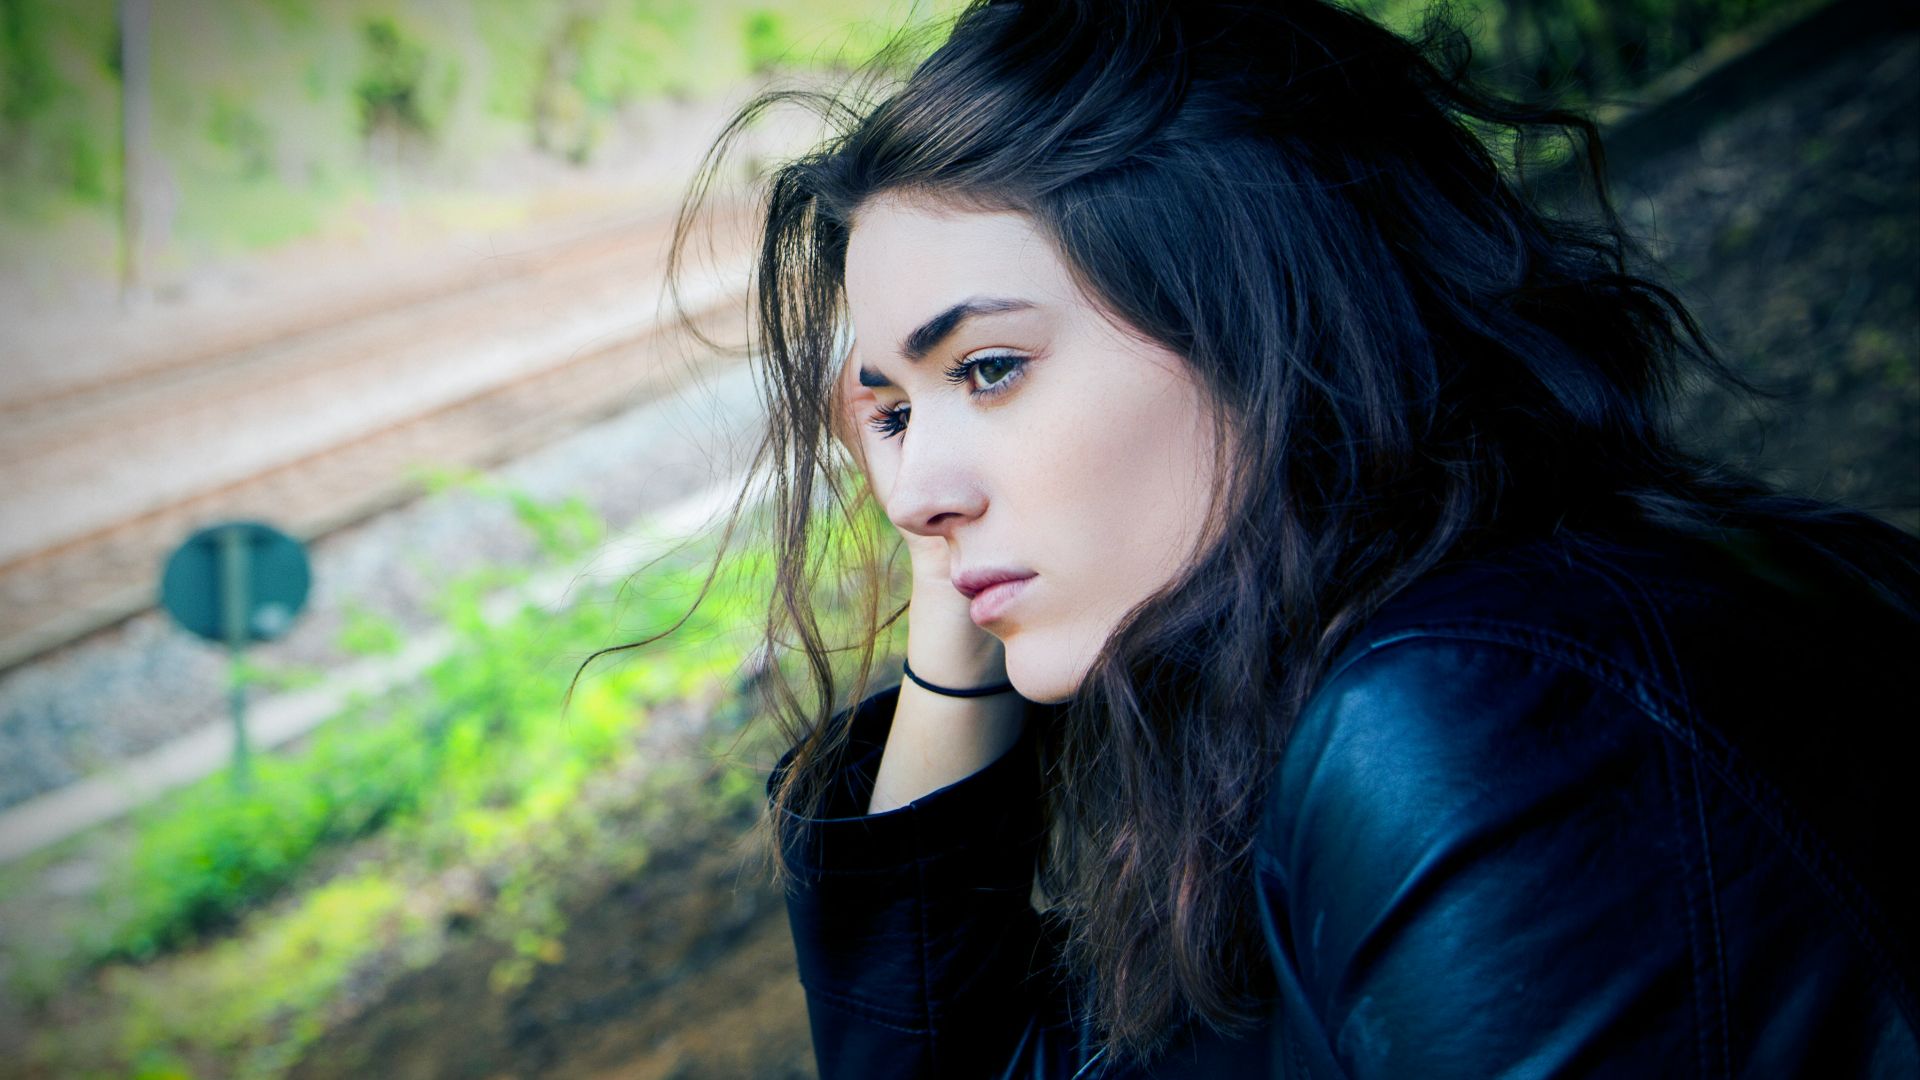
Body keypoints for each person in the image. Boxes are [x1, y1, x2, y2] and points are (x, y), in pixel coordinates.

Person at [643, 0, 1920, 1075]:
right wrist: (952, 600)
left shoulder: (1480, 722)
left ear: (1257, 314)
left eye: (986, 367)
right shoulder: (1350, 686)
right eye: (890, 411)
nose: (913, 488)